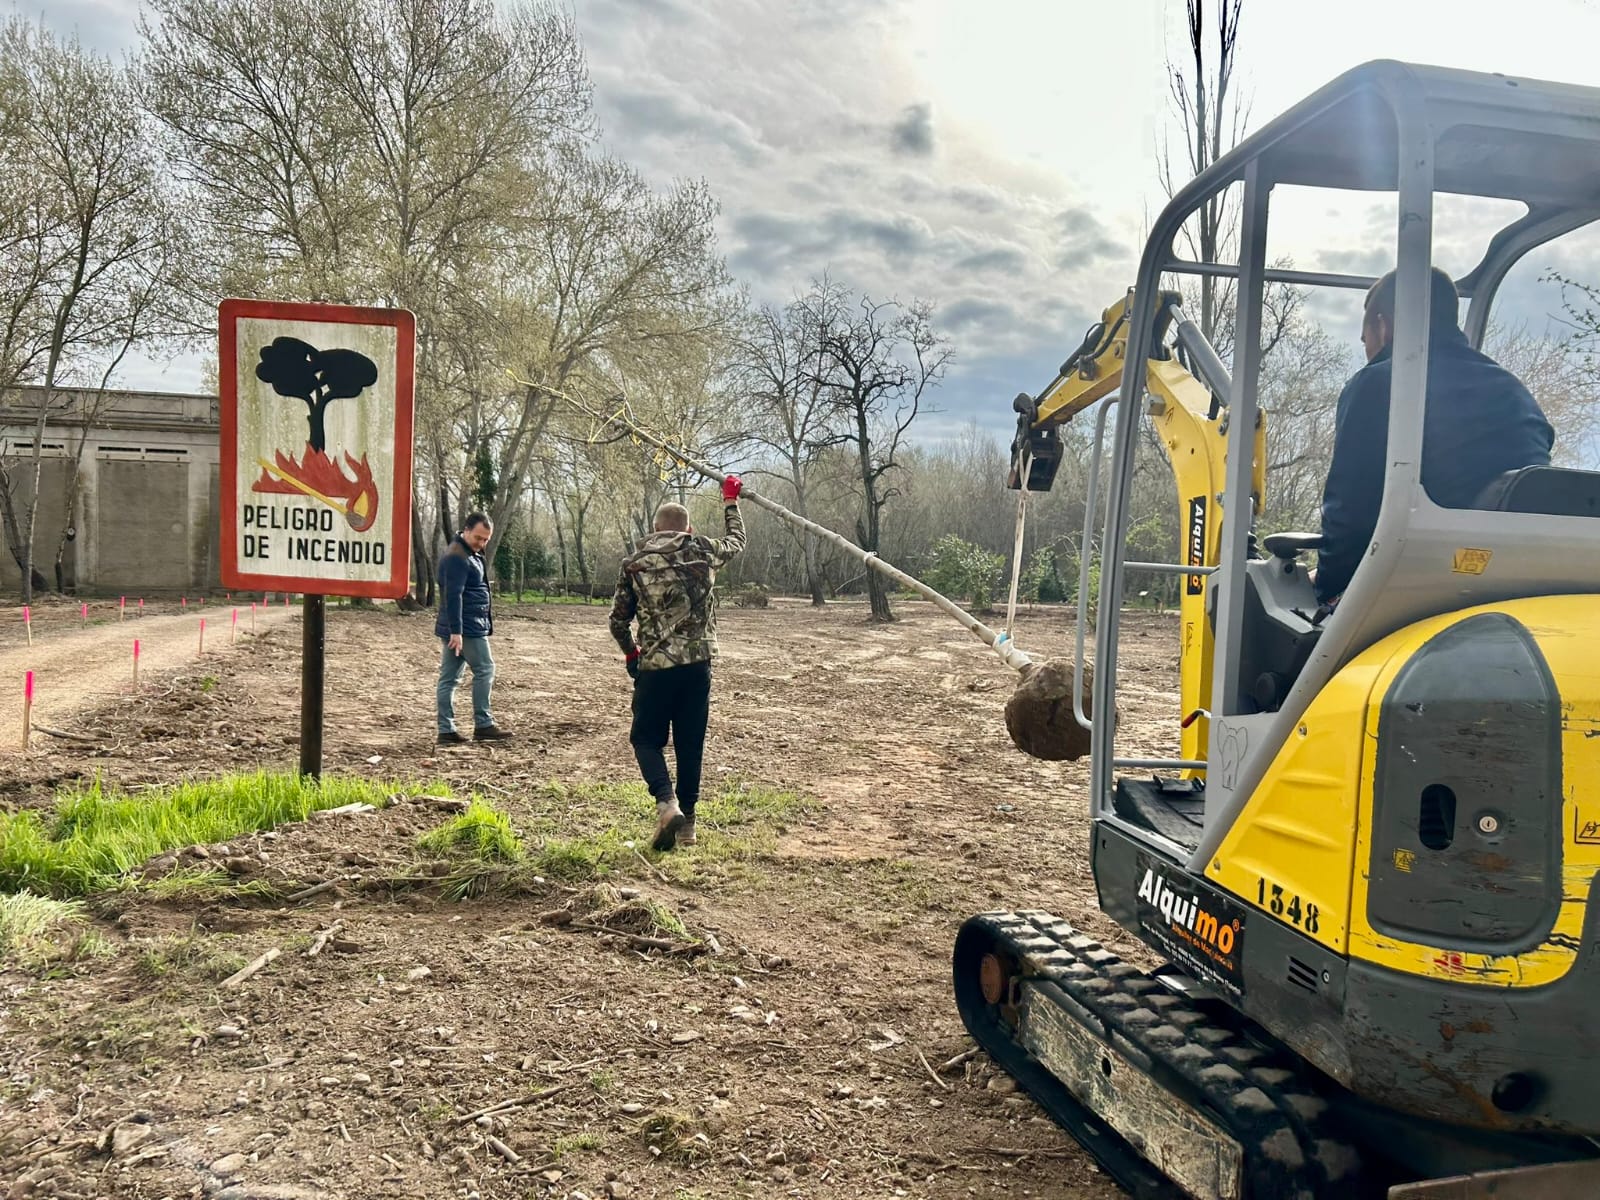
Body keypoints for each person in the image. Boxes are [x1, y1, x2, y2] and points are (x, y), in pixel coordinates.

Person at [1314, 266, 1554, 605]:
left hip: (1414, 586)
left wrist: (1326, 590)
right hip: (1510, 582)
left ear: (1382, 326)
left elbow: (1350, 512)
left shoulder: (1381, 384)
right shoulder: (1516, 393)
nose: (1365, 347)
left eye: (1365, 336)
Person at [609, 476, 746, 851]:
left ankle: (666, 803)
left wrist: (632, 654)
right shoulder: (702, 550)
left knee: (645, 739)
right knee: (690, 743)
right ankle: (688, 825)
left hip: (655, 668)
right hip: (697, 665)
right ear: (689, 528)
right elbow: (737, 540)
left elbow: (618, 620)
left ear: (653, 530)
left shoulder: (634, 563)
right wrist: (730, 500)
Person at [435, 512, 510, 744]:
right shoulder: (457, 556)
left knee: (449, 678)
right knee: (485, 669)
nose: (482, 543)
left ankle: (446, 730)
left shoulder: (469, 552)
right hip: (466, 627)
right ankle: (483, 724)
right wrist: (456, 631)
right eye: (478, 538)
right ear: (465, 530)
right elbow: (453, 596)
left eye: (486, 539)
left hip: (462, 625)